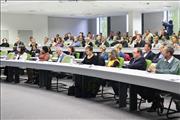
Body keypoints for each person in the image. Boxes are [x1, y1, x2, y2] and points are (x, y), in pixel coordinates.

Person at [148, 45, 180, 112]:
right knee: (145, 87)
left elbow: (172, 72)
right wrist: (151, 68)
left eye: (163, 51)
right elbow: (156, 68)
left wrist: (156, 71)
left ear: (168, 53)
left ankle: (157, 102)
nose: (162, 52)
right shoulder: (161, 60)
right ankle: (157, 102)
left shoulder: (176, 62)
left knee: (153, 89)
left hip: (171, 84)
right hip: (159, 81)